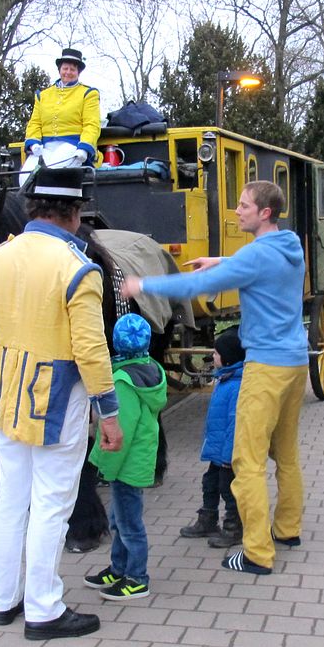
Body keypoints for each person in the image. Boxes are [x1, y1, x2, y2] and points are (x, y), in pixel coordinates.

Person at [123, 180, 308, 576]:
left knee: (247, 460)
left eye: (243, 206)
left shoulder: (258, 256)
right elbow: (259, 264)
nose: (237, 210)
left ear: (265, 214)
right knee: (287, 454)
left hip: (267, 368)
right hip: (295, 364)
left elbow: (195, 287)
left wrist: (143, 283)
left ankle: (257, 553)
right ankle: (288, 530)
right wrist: (223, 260)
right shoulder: (290, 247)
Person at [0, 166, 123, 640]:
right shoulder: (79, 269)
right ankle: (44, 609)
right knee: (53, 504)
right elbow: (91, 350)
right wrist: (109, 412)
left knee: (10, 501)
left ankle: (4, 600)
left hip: (6, 401)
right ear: (74, 214)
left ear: (33, 209)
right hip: (59, 403)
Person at [84, 313, 167, 601]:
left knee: (129, 524)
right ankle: (119, 568)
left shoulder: (122, 381)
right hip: (137, 460)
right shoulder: (151, 369)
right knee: (120, 518)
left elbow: (122, 431)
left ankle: (137, 578)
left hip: (125, 463)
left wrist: (104, 466)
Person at [180, 325, 245, 549]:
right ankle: (208, 519)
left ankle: (234, 527)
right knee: (209, 483)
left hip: (227, 453)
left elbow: (234, 425)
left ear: (227, 359)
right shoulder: (224, 379)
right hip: (217, 449)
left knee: (228, 489)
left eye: (216, 353)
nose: (212, 356)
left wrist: (228, 456)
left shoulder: (236, 386)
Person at [22, 48, 101, 176]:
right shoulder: (43, 95)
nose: (68, 72)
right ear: (60, 69)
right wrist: (34, 143)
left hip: (72, 145)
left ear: (78, 72)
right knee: (25, 175)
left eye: (72, 69)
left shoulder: (88, 94)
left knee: (53, 173)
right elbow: (35, 123)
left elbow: (92, 125)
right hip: (45, 147)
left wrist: (84, 148)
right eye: (65, 68)